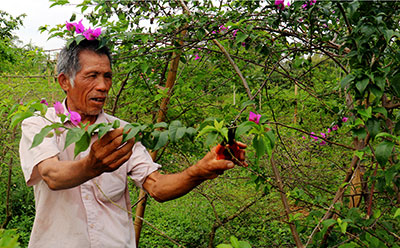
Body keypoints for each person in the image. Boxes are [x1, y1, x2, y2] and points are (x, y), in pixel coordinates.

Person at [19, 39, 246, 248]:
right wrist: (92, 165)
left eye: (107, 76)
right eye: (92, 76)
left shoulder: (122, 132)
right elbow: (52, 175)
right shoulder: (40, 125)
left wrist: (199, 171)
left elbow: (157, 187)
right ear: (64, 81)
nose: (103, 86)